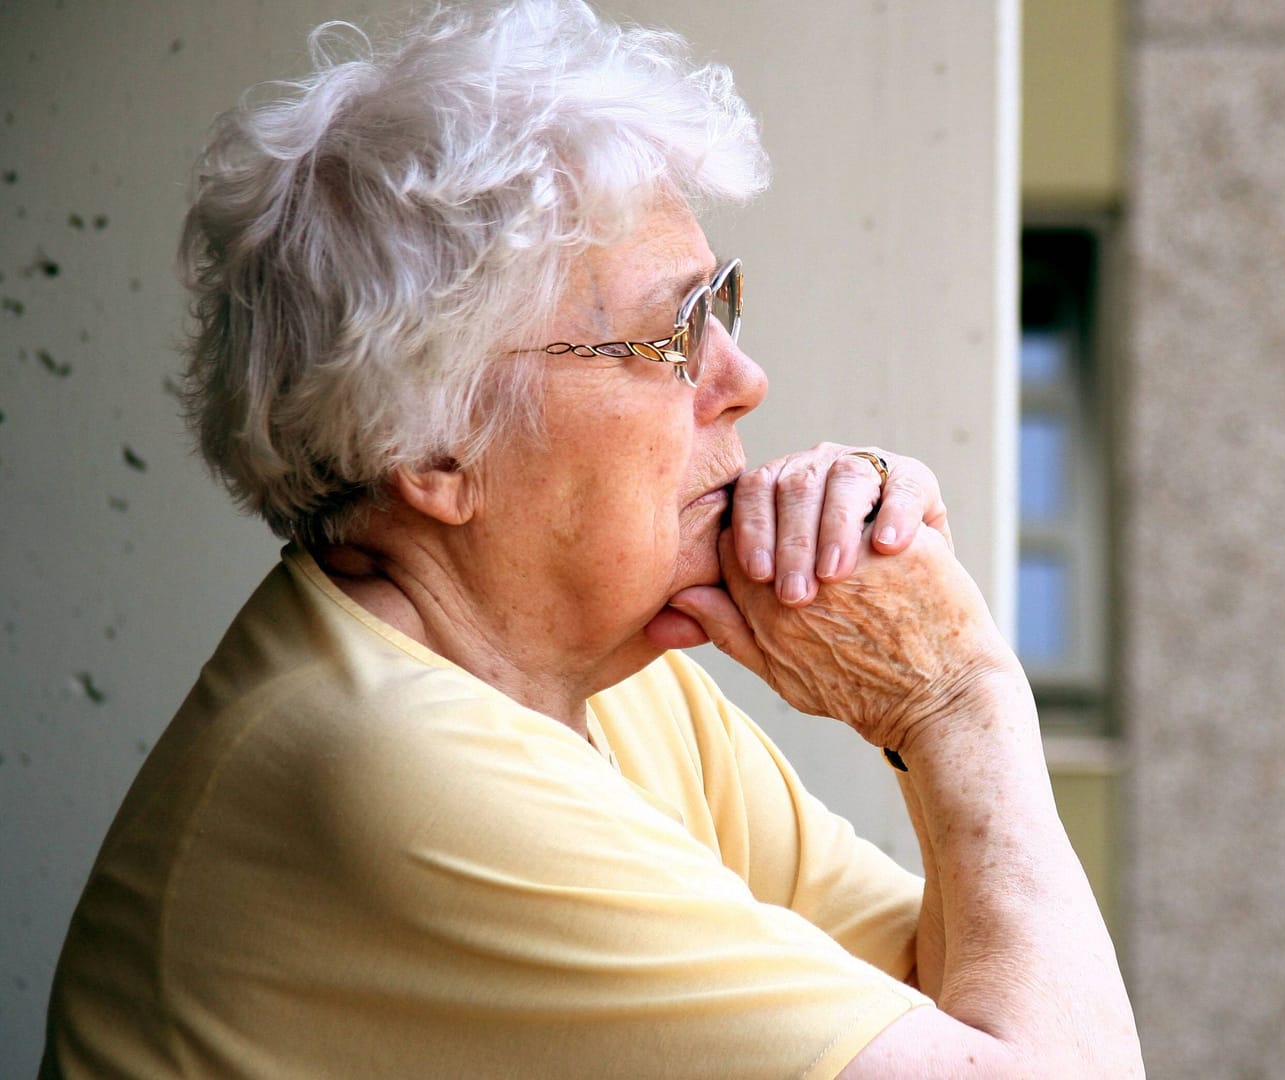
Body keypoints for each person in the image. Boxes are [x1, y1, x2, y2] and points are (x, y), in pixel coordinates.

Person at [39, 1, 1141, 1077]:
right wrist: (957, 701)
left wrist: (940, 695)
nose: (743, 381)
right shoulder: (402, 775)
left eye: (723, 306)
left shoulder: (600, 677)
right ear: (433, 448)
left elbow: (956, 998)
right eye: (671, 337)